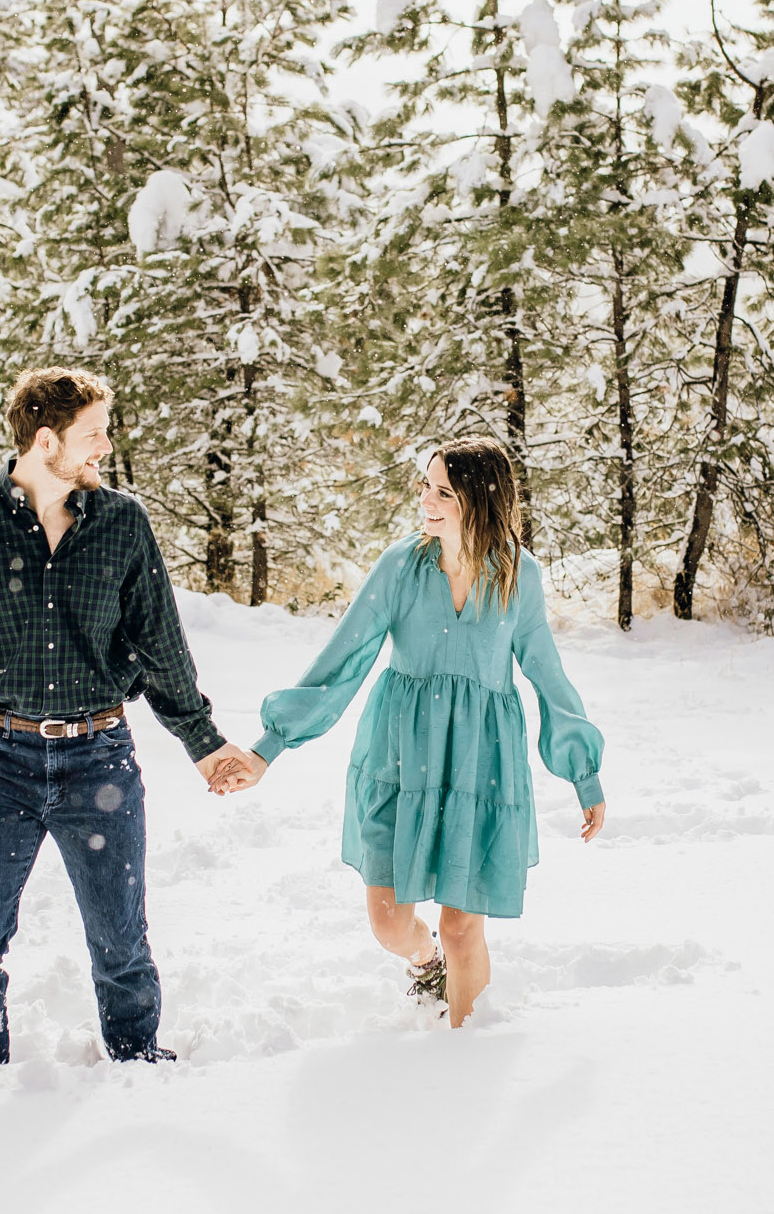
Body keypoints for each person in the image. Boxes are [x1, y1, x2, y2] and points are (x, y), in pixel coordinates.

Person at [0, 365, 253, 1071]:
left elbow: (159, 643)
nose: (104, 447)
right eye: (92, 434)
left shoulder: (121, 524)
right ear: (45, 441)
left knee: (120, 940)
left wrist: (202, 742)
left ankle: (137, 1064)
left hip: (99, 759)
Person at [217, 436, 605, 1027]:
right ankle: (426, 965)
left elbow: (546, 672)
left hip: (480, 761)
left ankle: (463, 1055)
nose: (426, 499)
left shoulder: (517, 575)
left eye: (443, 491)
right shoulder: (401, 566)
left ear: (478, 500)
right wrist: (269, 747)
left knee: (460, 924)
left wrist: (585, 774)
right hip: (400, 753)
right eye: (425, 485)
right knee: (390, 921)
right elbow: (341, 662)